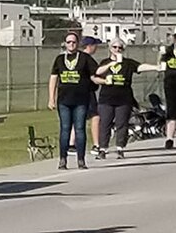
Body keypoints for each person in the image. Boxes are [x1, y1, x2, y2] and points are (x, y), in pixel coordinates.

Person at [48, 31, 100, 169]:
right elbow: (54, 77)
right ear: (65, 44)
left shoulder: (85, 58)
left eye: (74, 42)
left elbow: (96, 72)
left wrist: (106, 77)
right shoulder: (60, 59)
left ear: (78, 44)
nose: (71, 44)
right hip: (64, 100)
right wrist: (51, 98)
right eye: (68, 42)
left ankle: (81, 159)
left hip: (81, 100)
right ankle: (63, 159)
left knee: (80, 129)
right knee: (65, 129)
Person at [93, 39, 141, 160]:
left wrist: (156, 67)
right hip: (106, 99)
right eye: (114, 47)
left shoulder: (128, 63)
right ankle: (103, 149)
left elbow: (140, 67)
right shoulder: (104, 62)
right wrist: (110, 67)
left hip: (123, 98)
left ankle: (120, 148)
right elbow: (96, 74)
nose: (117, 50)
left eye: (120, 48)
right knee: (105, 124)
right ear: (110, 48)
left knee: (122, 124)